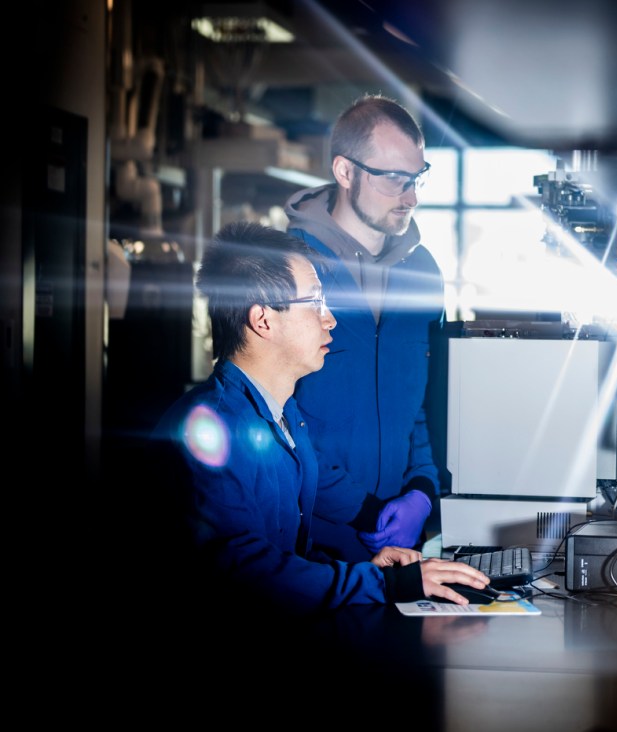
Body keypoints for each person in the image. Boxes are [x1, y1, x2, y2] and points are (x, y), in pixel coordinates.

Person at [150, 220, 490, 621]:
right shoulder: (211, 428)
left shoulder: (283, 415)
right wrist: (387, 584)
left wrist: (363, 570)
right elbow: (246, 570)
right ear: (263, 320)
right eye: (313, 303)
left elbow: (286, 553)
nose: (329, 320)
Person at [284, 93, 444, 561]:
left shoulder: (424, 273)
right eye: (393, 179)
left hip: (402, 550)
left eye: (416, 178)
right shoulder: (290, 269)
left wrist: (420, 492)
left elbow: (416, 406)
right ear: (345, 171)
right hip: (311, 548)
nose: (410, 197)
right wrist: (364, 510)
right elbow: (275, 419)